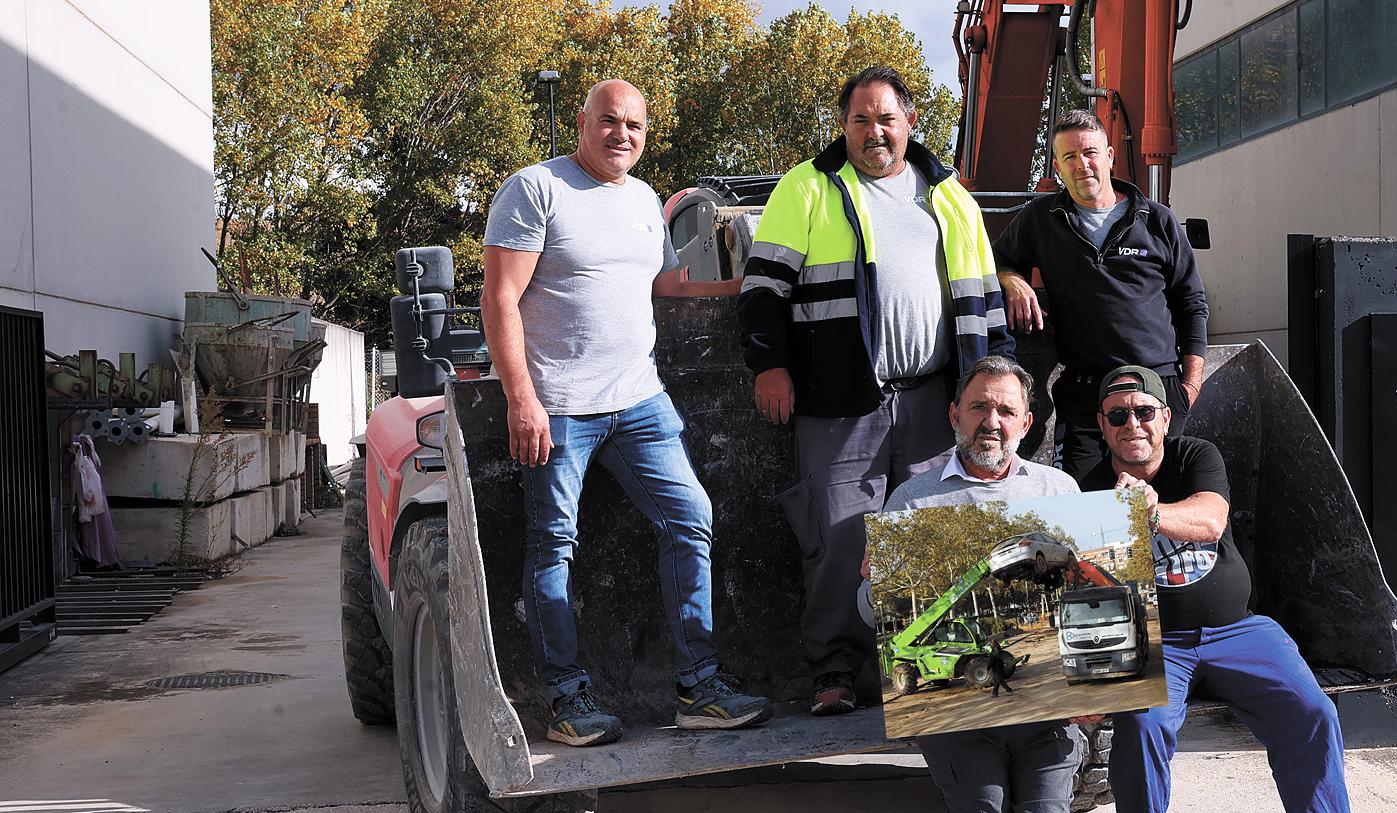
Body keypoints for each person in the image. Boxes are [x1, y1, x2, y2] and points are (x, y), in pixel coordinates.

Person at [481, 80, 770, 746]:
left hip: (639, 402)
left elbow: (670, 291)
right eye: (609, 121)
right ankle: (566, 698)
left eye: (635, 126)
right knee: (553, 546)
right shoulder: (534, 190)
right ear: (582, 123)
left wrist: (761, 283)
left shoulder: (644, 199)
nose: (622, 135)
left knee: (691, 516)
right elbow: (500, 299)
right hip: (559, 409)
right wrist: (521, 398)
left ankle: (699, 686)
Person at [1083, 366, 1382, 813]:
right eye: (1118, 415)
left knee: (1312, 714)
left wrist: (1148, 511)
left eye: (1144, 411)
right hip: (1151, 641)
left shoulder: (1196, 455)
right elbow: (1085, 590)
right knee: (1140, 728)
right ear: (1102, 426)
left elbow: (1211, 518)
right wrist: (1084, 692)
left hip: (1237, 630)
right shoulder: (1085, 487)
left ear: (1166, 418)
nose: (1133, 423)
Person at [740, 66, 1012, 716]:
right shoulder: (808, 188)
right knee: (840, 538)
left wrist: (995, 389)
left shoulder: (951, 197)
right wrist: (769, 367)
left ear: (909, 122)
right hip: (839, 402)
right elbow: (761, 292)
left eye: (885, 117)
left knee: (933, 533)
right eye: (860, 119)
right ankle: (835, 672)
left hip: (932, 400)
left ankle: (928, 673)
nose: (874, 131)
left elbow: (984, 298)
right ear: (844, 126)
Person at [883, 357, 1097, 813]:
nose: (992, 423)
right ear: (954, 415)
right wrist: (870, 593)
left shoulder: (1061, 492)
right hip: (957, 713)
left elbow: (1097, 600)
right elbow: (882, 620)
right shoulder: (913, 501)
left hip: (1046, 713)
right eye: (979, 408)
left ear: (1028, 425)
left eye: (1006, 411)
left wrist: (1105, 682)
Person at [993, 110, 1210, 481]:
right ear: (1058, 167)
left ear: (1110, 156)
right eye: (1069, 157)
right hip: (1085, 392)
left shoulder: (1156, 220)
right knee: (1082, 506)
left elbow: (1192, 306)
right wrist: (1011, 279)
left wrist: (1189, 386)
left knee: (1160, 506)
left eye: (1090, 153)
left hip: (1155, 390)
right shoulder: (1042, 219)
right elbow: (994, 258)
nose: (1082, 165)